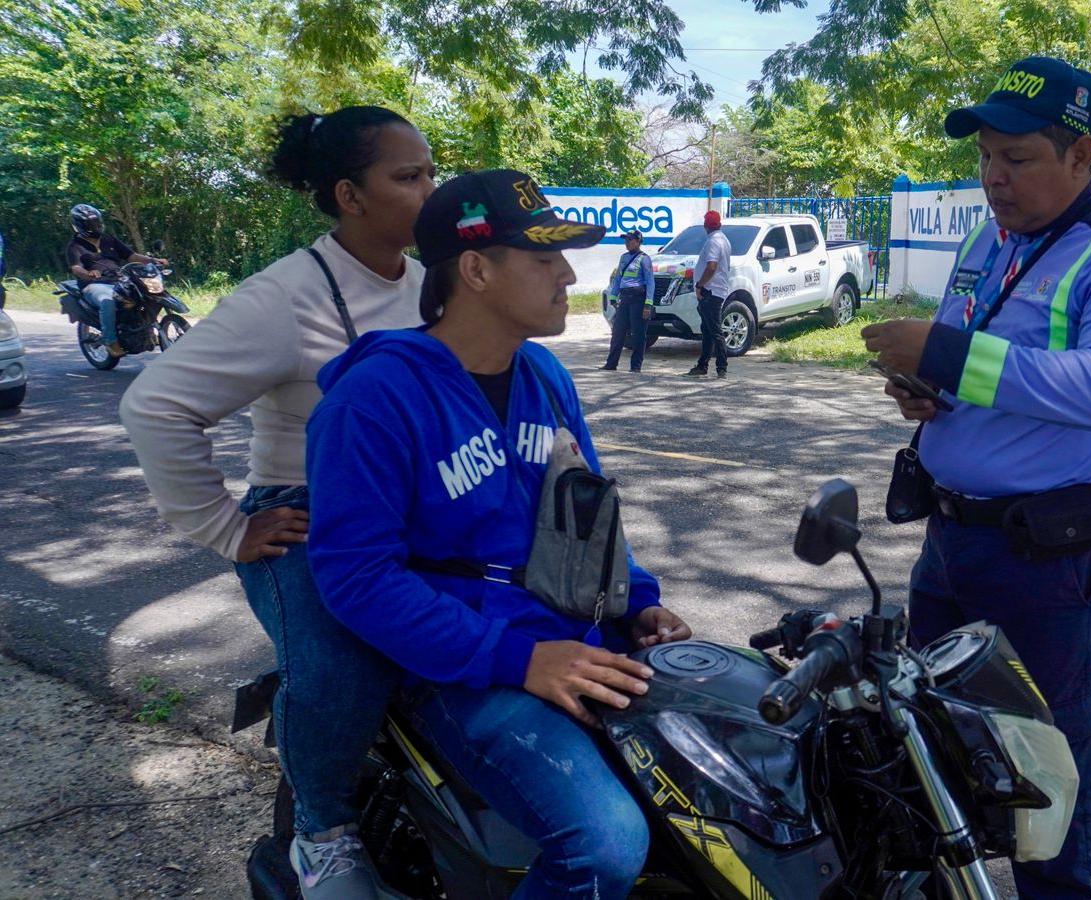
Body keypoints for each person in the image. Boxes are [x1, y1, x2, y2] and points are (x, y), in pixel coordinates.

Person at [304, 169, 692, 898]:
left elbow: (587, 511)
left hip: (575, 638)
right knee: (604, 845)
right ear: (476, 269)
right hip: (459, 670)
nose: (568, 275)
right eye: (544, 259)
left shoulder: (543, 373)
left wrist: (637, 601)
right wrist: (516, 659)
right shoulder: (374, 399)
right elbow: (357, 577)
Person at [862, 57, 1091, 898]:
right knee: (928, 742)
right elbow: (979, 359)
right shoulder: (990, 239)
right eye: (984, 159)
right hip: (951, 538)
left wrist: (946, 353)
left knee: (1050, 762)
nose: (992, 178)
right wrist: (926, 391)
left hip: (1049, 558)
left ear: (1078, 155)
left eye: (1016, 158)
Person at [120, 106, 437, 899]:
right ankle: (321, 834)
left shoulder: (431, 281)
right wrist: (224, 526)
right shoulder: (286, 297)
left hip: (420, 503)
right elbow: (155, 405)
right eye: (409, 177)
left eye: (431, 171)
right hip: (308, 509)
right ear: (349, 195)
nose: (431, 190)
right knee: (341, 672)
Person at [66, 204, 165, 356]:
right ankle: (110, 341)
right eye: (90, 224)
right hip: (94, 285)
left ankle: (148, 329)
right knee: (108, 301)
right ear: (80, 226)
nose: (95, 226)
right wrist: (88, 273)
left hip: (119, 280)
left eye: (96, 222)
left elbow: (132, 256)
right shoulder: (75, 246)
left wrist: (154, 260)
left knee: (145, 294)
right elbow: (76, 268)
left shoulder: (108, 239)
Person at [684, 209, 732, 378]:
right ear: (719, 224)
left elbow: (711, 267)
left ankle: (721, 367)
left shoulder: (713, 242)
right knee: (708, 331)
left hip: (710, 291)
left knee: (714, 330)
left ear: (706, 226)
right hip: (717, 290)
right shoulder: (724, 240)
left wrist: (699, 284)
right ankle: (703, 365)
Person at [601, 229, 655, 372]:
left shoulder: (644, 259)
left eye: (630, 240)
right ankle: (611, 364)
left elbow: (650, 282)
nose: (627, 243)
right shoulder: (624, 257)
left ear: (638, 242)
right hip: (624, 299)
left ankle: (635, 367)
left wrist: (648, 304)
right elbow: (618, 278)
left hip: (638, 299)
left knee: (638, 334)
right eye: (626, 240)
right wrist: (613, 297)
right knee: (618, 333)